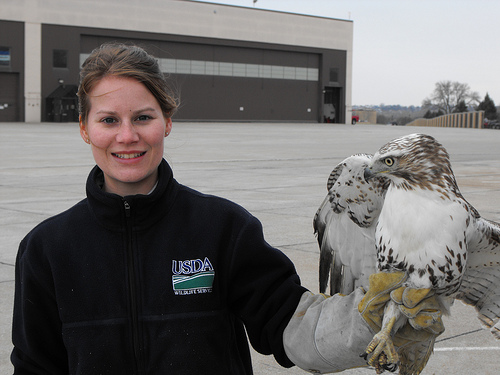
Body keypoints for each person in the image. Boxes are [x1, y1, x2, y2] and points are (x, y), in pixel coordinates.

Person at [11, 43, 443, 375]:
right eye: (108, 120)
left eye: (143, 117)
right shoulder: (47, 249)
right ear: (85, 128)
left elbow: (293, 326)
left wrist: (375, 320)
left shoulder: (223, 229)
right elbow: (36, 366)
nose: (127, 136)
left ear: (167, 122)